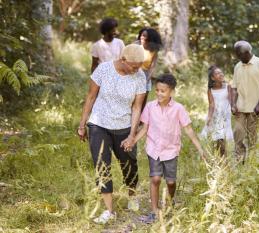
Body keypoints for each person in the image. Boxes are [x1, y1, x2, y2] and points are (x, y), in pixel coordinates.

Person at [122, 74, 205, 224]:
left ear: (171, 91)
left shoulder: (178, 108)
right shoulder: (150, 106)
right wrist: (132, 140)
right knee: (155, 178)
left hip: (171, 150)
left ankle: (170, 202)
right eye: (158, 90)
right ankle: (154, 211)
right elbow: (145, 128)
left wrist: (200, 149)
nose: (159, 94)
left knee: (171, 182)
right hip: (154, 148)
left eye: (163, 91)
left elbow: (189, 130)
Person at [77, 44, 146, 224]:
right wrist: (82, 125)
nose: (137, 70)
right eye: (134, 66)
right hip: (99, 124)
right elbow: (90, 97)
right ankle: (109, 211)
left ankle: (132, 195)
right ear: (123, 60)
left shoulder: (139, 76)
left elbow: (137, 107)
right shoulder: (103, 69)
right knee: (102, 165)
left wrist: (132, 135)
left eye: (139, 66)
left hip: (124, 126)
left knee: (129, 164)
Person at [231, 40, 259, 163]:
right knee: (238, 132)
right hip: (240, 107)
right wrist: (233, 104)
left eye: (239, 55)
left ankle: (253, 161)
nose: (237, 57)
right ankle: (239, 160)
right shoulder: (238, 66)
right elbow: (234, 88)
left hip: (255, 107)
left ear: (247, 53)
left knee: (252, 136)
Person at [202, 65, 233, 156]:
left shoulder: (228, 87)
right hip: (216, 116)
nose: (220, 74)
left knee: (223, 138)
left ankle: (223, 158)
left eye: (221, 72)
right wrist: (209, 117)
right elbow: (211, 104)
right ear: (212, 78)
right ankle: (218, 157)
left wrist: (235, 110)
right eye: (217, 73)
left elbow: (231, 101)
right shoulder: (210, 90)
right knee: (217, 138)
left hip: (225, 116)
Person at [136, 27, 162, 108]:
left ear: (150, 38)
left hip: (146, 75)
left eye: (144, 36)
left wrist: (147, 79)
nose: (142, 37)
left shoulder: (154, 50)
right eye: (141, 35)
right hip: (134, 73)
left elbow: (152, 66)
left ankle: (141, 118)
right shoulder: (136, 45)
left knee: (143, 101)